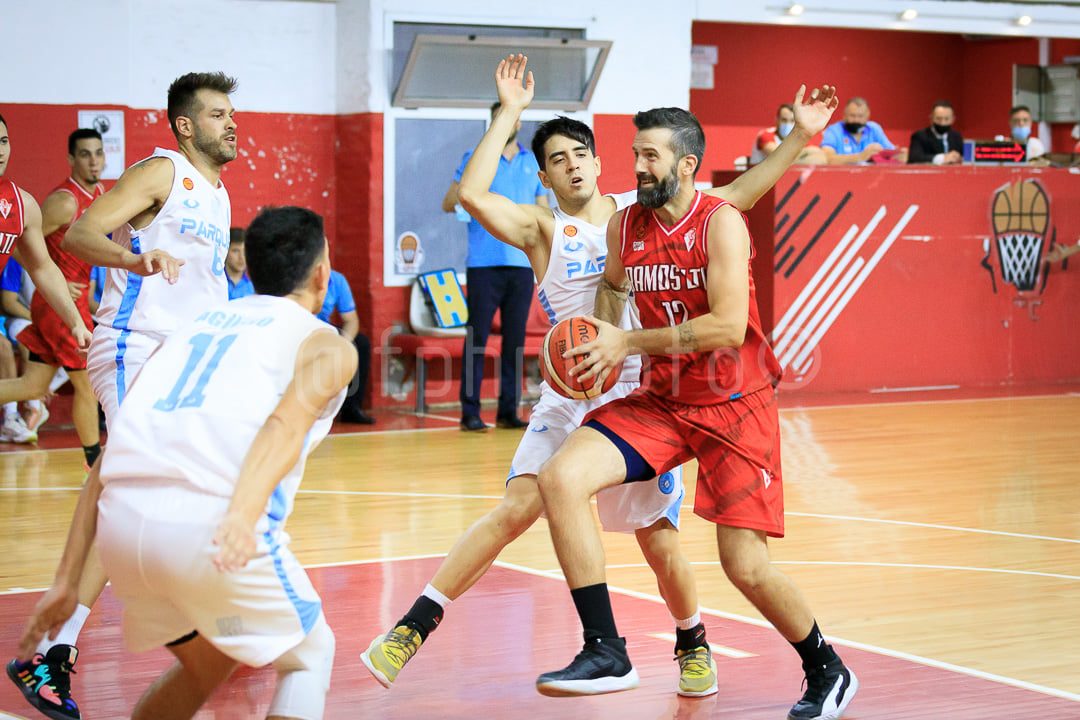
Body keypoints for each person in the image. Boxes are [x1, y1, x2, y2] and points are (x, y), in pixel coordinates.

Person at [361, 55, 839, 699]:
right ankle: (423, 626)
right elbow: (473, 194)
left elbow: (734, 196)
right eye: (559, 159)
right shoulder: (541, 227)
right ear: (545, 175)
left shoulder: (632, 213)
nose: (575, 163)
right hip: (573, 393)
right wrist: (508, 114)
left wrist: (799, 139)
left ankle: (691, 640)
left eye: (582, 151)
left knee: (657, 537)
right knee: (521, 504)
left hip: (644, 380)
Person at [532, 106, 857, 720]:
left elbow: (728, 327)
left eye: (650, 155)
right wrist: (595, 335)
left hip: (736, 407)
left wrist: (625, 343)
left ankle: (826, 667)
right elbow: (613, 285)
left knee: (745, 567)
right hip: (664, 401)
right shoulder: (625, 225)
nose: (638, 165)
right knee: (561, 478)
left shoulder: (721, 223)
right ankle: (605, 650)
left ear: (686, 165)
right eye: (635, 154)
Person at [14, 206, 357, 720]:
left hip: (125, 540)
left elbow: (115, 451)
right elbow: (283, 425)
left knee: (209, 663)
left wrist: (65, 582)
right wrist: (242, 516)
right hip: (208, 532)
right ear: (321, 275)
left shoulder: (193, 330)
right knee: (310, 655)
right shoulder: (327, 344)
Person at [6, 72, 237, 720]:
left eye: (232, 112)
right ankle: (54, 649)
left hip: (184, 360)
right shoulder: (161, 171)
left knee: (149, 489)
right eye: (219, 114)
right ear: (186, 125)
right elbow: (80, 236)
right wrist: (136, 262)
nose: (232, 123)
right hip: (137, 344)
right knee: (124, 481)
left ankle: (61, 647)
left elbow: (205, 291)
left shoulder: (218, 195)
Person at [0, 128, 107, 469]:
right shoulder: (64, 201)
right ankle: (95, 464)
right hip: (56, 305)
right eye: (85, 154)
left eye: (98, 153)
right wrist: (61, 281)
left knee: (33, 386)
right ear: (71, 159)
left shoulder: (100, 195)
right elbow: (29, 250)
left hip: (66, 302)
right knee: (88, 385)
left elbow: (39, 259)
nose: (93, 161)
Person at [442, 101, 549, 432]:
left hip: (521, 265)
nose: (511, 124)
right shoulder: (476, 160)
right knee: (477, 340)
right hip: (483, 265)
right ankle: (470, 412)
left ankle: (507, 411)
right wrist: (471, 193)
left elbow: (543, 213)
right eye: (503, 118)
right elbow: (449, 202)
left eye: (515, 118)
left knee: (514, 344)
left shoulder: (532, 163)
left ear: (519, 123)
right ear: (494, 122)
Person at [318, 268, 375, 425]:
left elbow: (351, 320)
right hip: (299, 328)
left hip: (325, 330)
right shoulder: (296, 275)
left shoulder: (337, 280)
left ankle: (351, 408)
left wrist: (343, 343)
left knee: (360, 344)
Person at [822, 97, 907, 164]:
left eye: (860, 116)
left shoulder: (874, 129)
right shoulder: (834, 130)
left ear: (867, 116)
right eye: (852, 115)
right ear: (844, 116)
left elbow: (891, 153)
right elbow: (827, 159)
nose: (856, 120)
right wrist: (861, 157)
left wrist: (900, 155)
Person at [750, 103, 826, 165]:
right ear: (777, 120)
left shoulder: (798, 139)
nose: (788, 124)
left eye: (792, 121)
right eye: (784, 120)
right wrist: (804, 157)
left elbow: (820, 157)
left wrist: (803, 157)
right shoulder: (766, 135)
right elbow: (778, 156)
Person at [225, 227, 254, 299]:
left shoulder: (253, 289)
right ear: (226, 251)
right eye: (235, 251)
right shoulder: (215, 282)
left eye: (245, 251)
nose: (241, 257)